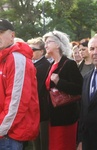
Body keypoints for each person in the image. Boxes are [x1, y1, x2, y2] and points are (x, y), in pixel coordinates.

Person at [0, 19, 40, 150]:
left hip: (9, 135)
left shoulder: (16, 59)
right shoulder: (3, 57)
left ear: (12, 35)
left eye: (0, 32)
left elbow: (16, 103)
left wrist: (1, 128)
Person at [43, 30, 83, 150]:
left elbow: (79, 88)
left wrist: (59, 82)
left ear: (58, 44)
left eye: (48, 42)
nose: (45, 45)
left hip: (66, 118)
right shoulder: (52, 65)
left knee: (63, 146)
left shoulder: (69, 64)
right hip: (53, 116)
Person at [27, 37, 51, 150]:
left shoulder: (43, 66)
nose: (30, 51)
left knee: (43, 143)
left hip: (43, 110)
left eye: (33, 49)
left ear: (41, 51)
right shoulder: (35, 64)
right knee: (36, 142)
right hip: (36, 110)